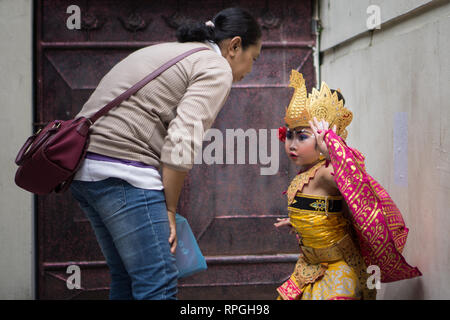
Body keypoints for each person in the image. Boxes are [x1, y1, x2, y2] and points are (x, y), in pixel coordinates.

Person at [70, 7, 262, 300]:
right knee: (157, 285)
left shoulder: (170, 51)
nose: (249, 71)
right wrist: (169, 210)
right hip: (125, 172)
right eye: (253, 59)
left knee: (127, 276)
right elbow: (182, 140)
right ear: (235, 46)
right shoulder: (215, 66)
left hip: (85, 171)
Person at [274, 70, 420, 300]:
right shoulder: (309, 172)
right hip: (309, 268)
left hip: (338, 272)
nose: (292, 144)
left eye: (302, 137)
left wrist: (331, 149)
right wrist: (301, 221)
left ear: (326, 137)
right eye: (289, 135)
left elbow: (354, 179)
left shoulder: (327, 171)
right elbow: (331, 211)